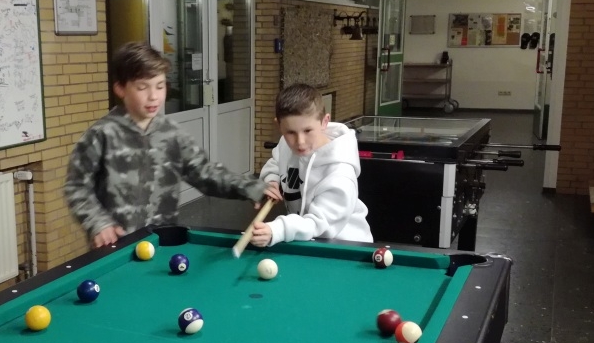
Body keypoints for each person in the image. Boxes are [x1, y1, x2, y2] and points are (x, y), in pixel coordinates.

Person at [65, 41, 279, 248]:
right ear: (120, 89)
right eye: (142, 87)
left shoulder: (172, 134)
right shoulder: (101, 134)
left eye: (160, 86)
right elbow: (76, 187)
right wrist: (98, 223)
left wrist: (249, 186)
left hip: (164, 241)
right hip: (117, 246)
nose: (153, 96)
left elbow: (204, 173)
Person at [251, 83, 372, 247]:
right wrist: (271, 181)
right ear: (279, 126)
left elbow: (318, 224)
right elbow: (276, 162)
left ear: (324, 121)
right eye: (290, 132)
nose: (300, 142)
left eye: (307, 131)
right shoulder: (286, 144)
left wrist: (278, 229)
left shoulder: (340, 174)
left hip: (345, 247)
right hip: (307, 239)